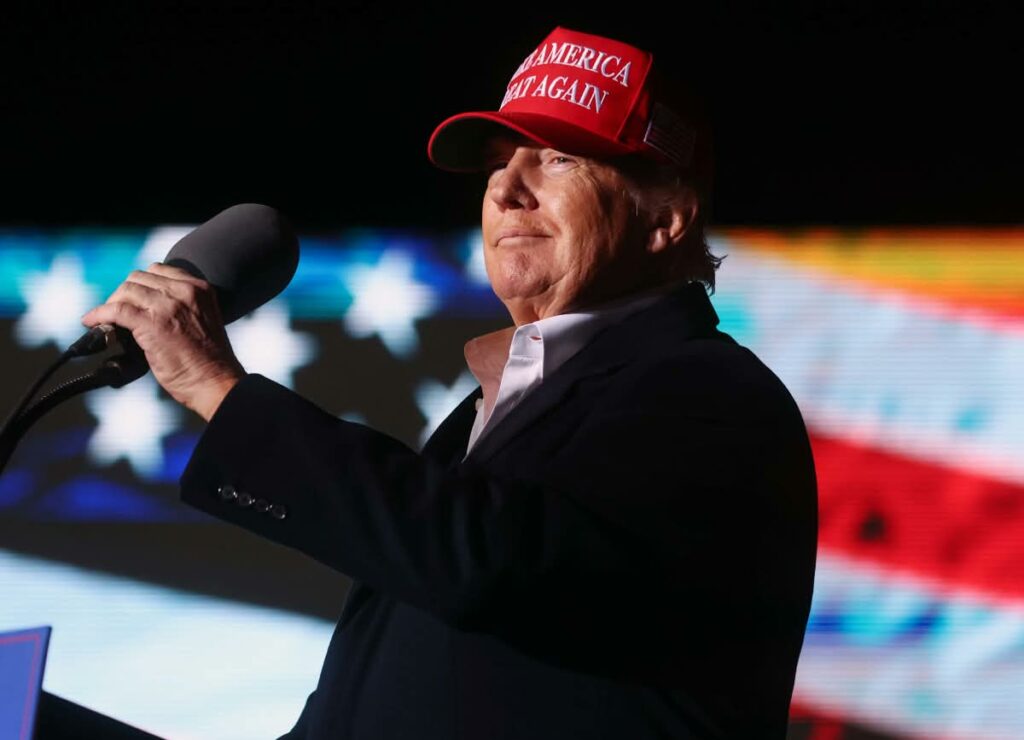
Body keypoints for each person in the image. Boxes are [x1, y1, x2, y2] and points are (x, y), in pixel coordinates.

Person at [82, 26, 817, 740]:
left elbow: (487, 561)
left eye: (559, 159)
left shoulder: (711, 395)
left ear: (666, 220)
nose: (508, 190)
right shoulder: (487, 413)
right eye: (500, 163)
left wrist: (217, 387)